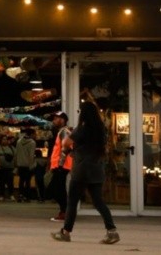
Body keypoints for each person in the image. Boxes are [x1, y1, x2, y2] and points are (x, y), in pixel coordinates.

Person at [51, 102, 119, 244]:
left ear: (83, 114)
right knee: (98, 201)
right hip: (97, 168)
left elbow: (65, 142)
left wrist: (70, 149)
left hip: (82, 169)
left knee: (72, 201)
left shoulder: (82, 129)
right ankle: (112, 231)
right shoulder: (101, 130)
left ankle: (66, 232)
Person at [48, 111, 73, 222]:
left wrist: (60, 164)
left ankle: (65, 212)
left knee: (56, 189)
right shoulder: (62, 131)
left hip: (62, 165)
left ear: (62, 120)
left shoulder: (64, 131)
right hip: (60, 165)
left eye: (56, 118)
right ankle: (65, 212)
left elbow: (66, 147)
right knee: (58, 189)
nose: (54, 120)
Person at [15, 128, 37, 202]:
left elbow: (16, 153)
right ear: (31, 134)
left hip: (20, 164)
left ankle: (20, 196)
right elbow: (31, 155)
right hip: (28, 165)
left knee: (21, 180)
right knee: (28, 181)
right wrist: (32, 165)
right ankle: (27, 197)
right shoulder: (32, 143)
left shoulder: (18, 141)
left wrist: (16, 163)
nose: (35, 135)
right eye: (34, 134)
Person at [0, 136, 16, 201]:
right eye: (3, 139)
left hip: (10, 168)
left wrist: (16, 167)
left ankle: (11, 195)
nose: (4, 140)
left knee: (10, 182)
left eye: (6, 139)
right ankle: (1, 195)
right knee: (1, 182)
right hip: (1, 167)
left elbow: (15, 157)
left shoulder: (12, 148)